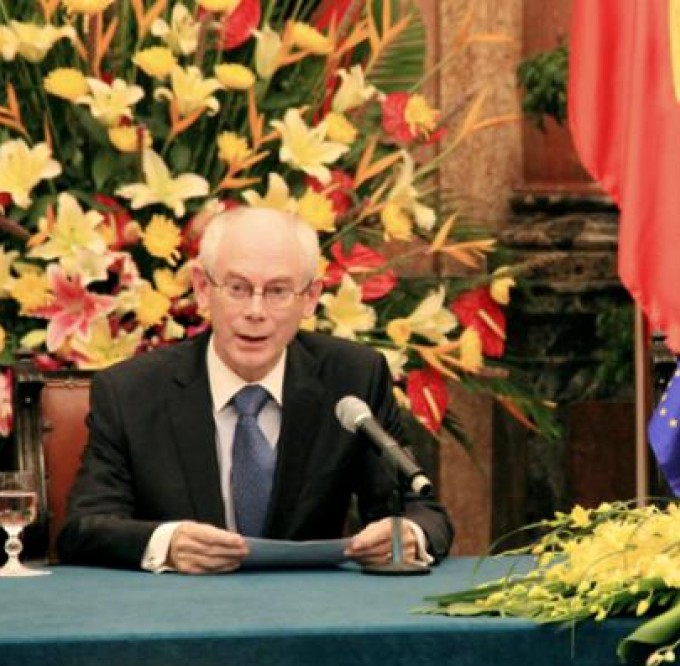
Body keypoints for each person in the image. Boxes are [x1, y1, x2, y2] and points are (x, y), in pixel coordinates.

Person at [57, 207, 453, 573]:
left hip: (310, 608)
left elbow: (421, 509)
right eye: (237, 288)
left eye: (278, 291)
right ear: (202, 288)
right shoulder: (131, 391)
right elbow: (83, 528)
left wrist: (408, 535)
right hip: (179, 609)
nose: (256, 312)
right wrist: (168, 543)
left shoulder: (352, 379)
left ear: (310, 298)